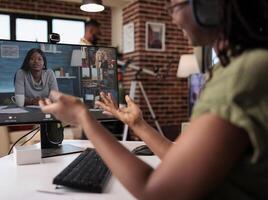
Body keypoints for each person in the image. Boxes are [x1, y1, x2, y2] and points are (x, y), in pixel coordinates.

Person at [39, 0, 268, 199]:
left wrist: (82, 116)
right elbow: (179, 162)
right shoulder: (234, 68)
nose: (174, 19)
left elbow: (157, 192)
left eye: (176, 5)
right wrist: (137, 124)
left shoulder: (246, 74)